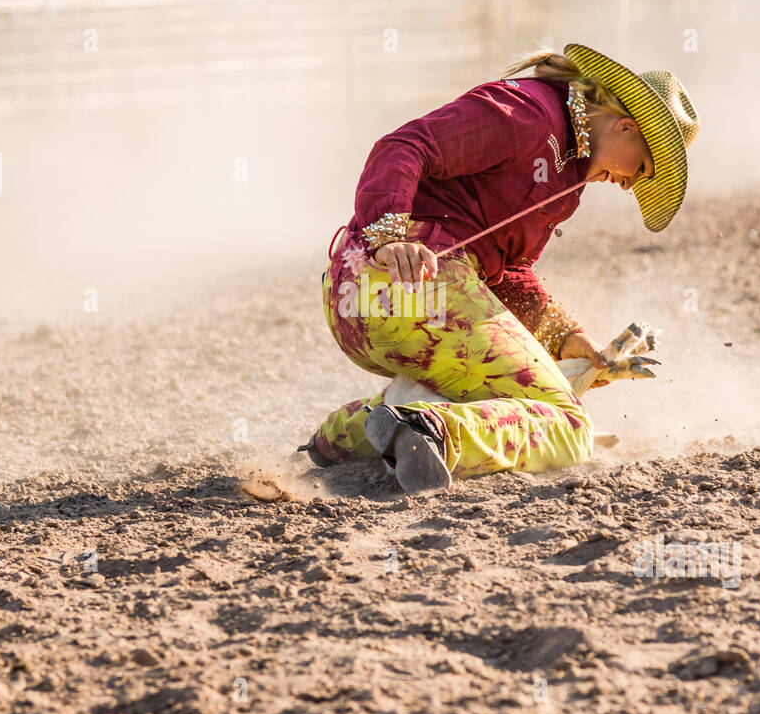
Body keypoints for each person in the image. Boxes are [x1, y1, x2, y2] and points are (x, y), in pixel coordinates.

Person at [300, 45, 701, 494]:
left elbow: (507, 273)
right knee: (568, 423)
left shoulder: (566, 177)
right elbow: (404, 146)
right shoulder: (529, 113)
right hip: (416, 288)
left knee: (486, 390)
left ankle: (345, 434)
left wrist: (566, 338)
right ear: (627, 126)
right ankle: (432, 433)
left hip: (357, 305)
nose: (632, 184)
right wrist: (390, 237)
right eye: (643, 167)